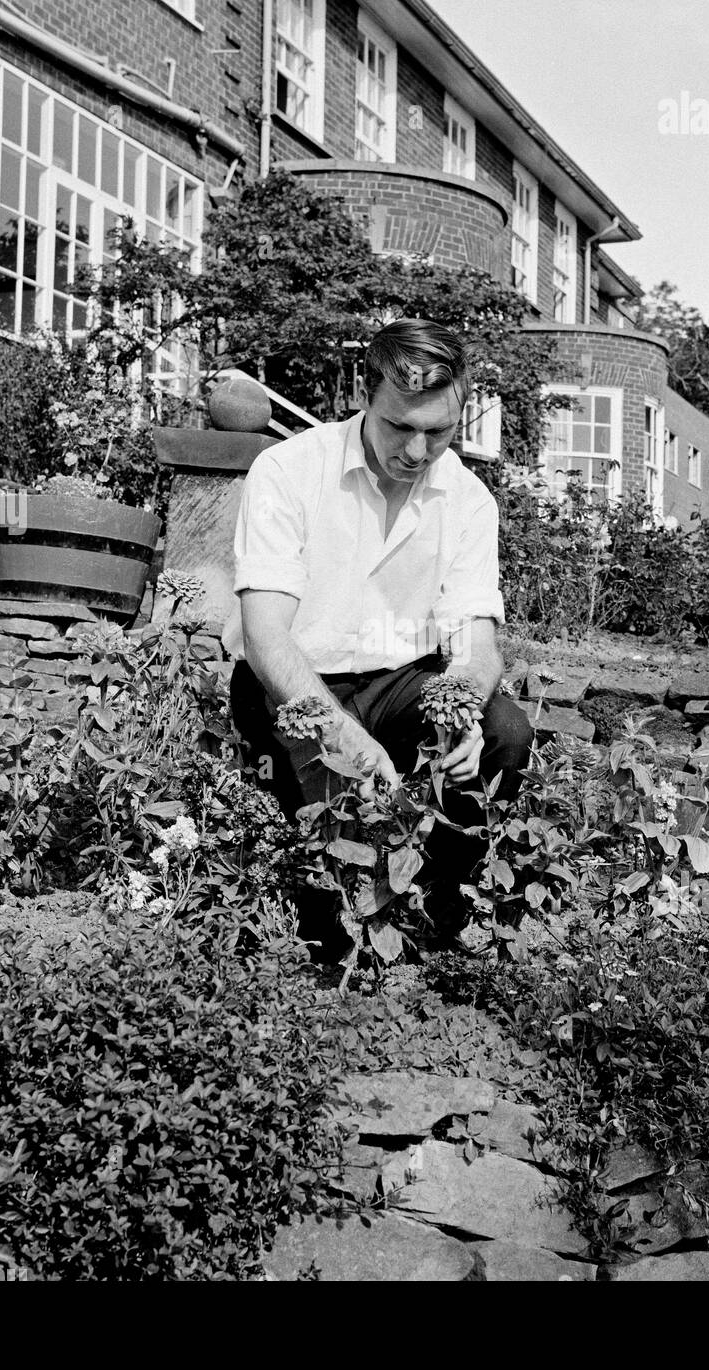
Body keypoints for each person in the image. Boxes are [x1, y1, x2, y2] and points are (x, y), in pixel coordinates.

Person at [222, 317, 533, 957]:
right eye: (401, 428)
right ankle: (323, 935)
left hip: (400, 683)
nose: (418, 453)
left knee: (505, 732)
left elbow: (476, 645)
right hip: (292, 683)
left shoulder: (470, 501)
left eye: (439, 432)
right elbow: (266, 637)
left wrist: (464, 709)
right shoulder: (287, 471)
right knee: (328, 901)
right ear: (365, 397)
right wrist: (347, 740)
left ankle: (437, 915)